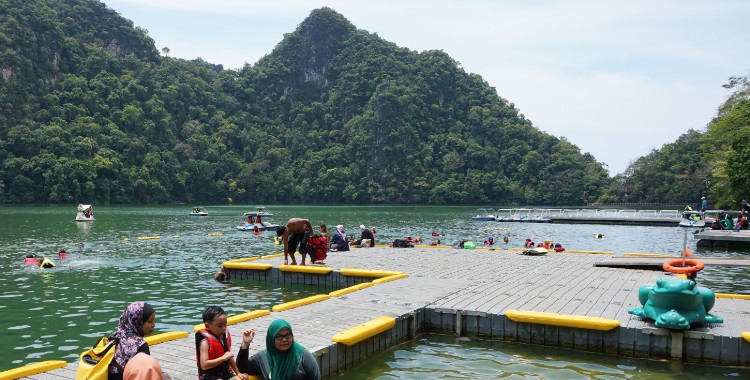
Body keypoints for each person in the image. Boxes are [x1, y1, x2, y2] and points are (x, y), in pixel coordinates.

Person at [237, 319, 321, 380]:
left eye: (287, 335)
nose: (284, 340)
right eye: (279, 336)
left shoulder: (303, 357)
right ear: (271, 339)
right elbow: (242, 368)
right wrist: (245, 344)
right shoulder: (263, 357)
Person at [108, 302, 158, 380]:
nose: (153, 325)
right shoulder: (140, 345)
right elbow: (145, 375)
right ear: (138, 321)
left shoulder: (114, 337)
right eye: (149, 321)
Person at [196, 306, 246, 380]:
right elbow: (204, 365)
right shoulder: (205, 343)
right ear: (207, 326)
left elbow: (228, 356)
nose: (223, 328)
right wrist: (223, 358)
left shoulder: (223, 338)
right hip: (210, 375)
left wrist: (238, 373)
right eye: (219, 326)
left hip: (225, 372)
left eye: (225, 324)